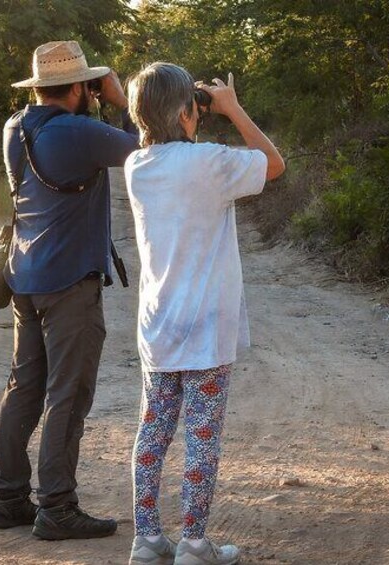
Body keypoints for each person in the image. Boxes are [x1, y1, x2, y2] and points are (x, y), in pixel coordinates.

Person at [123, 63, 285, 564]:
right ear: (188, 111)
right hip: (207, 328)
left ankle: (147, 541)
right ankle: (194, 544)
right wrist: (232, 108)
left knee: (152, 432)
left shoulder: (136, 166)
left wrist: (191, 112)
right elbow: (273, 164)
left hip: (160, 325)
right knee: (201, 435)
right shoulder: (211, 164)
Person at [0, 40, 138, 540]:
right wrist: (122, 102)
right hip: (70, 283)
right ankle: (57, 507)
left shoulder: (16, 126)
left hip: (23, 278)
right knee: (67, 395)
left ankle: (8, 499)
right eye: (88, 85)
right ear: (76, 87)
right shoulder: (77, 131)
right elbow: (145, 151)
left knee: (23, 389)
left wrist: (96, 99)